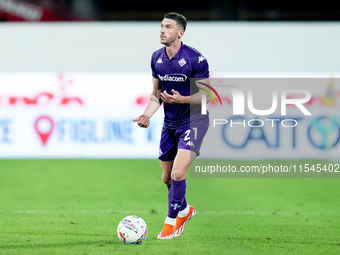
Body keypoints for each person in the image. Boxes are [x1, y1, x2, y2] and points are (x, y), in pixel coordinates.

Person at [133, 12, 211, 239]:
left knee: (178, 173)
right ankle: (184, 210)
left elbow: (206, 95)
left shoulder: (196, 59)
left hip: (194, 121)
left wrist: (183, 100)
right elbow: (156, 94)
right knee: (167, 178)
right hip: (170, 124)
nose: (162, 30)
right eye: (161, 26)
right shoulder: (156, 57)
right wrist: (147, 115)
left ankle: (171, 223)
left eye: (168, 27)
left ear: (180, 33)